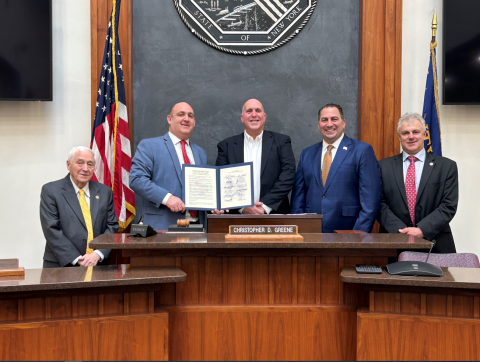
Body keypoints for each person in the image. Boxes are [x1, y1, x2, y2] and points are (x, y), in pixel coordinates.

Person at [291, 103, 382, 232]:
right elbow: (298, 200)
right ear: (318, 125)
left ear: (343, 123)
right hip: (311, 233)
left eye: (334, 119)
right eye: (324, 120)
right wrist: (300, 230)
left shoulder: (362, 151)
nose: (329, 124)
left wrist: (357, 234)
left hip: (348, 232)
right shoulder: (307, 154)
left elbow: (370, 201)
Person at [378, 112, 458, 253]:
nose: (411, 136)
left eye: (415, 132)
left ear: (424, 134)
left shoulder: (446, 167)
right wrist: (402, 232)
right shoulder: (383, 167)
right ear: (399, 137)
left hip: (435, 242)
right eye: (405, 133)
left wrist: (422, 230)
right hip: (393, 243)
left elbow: (448, 205)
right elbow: (378, 204)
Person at [130, 102, 207, 230]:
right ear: (169, 119)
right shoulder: (149, 146)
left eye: (190, 116)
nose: (186, 119)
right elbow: (136, 179)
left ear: (194, 121)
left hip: (199, 227)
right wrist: (167, 198)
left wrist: (215, 204)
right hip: (162, 227)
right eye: (181, 114)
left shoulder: (200, 153)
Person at [40, 146, 118, 268]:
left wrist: (97, 254)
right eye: (80, 163)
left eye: (90, 164)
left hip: (97, 264)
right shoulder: (51, 191)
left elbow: (112, 226)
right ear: (68, 164)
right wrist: (77, 259)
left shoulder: (104, 192)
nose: (85, 169)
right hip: (61, 265)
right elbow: (51, 229)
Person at [215, 99, 296, 214]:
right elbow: (221, 181)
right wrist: (243, 207)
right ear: (242, 118)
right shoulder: (226, 146)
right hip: (237, 218)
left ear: (264, 116)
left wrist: (265, 206)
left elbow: (288, 175)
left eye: (258, 111)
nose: (254, 114)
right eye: (249, 111)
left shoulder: (282, 142)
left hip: (275, 217)